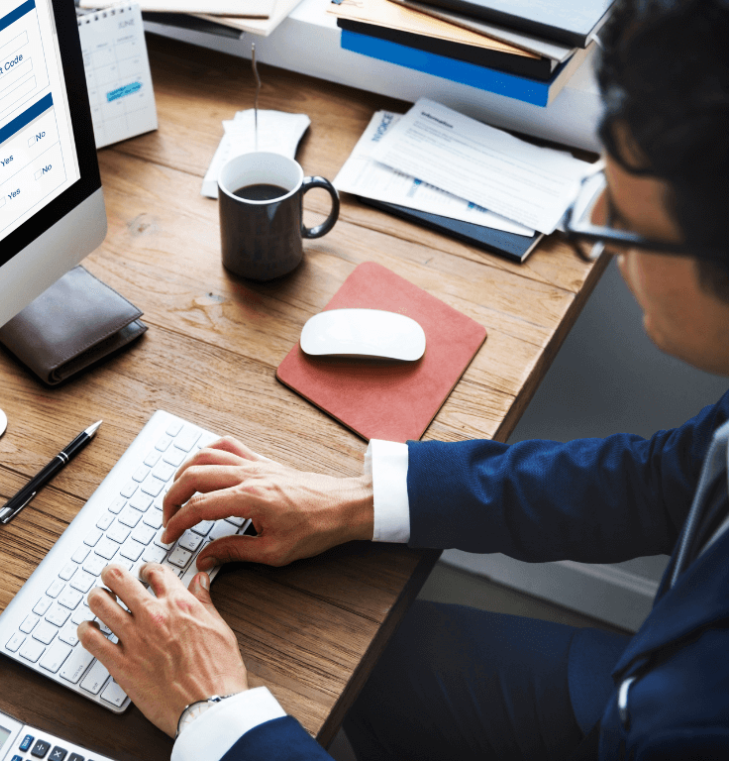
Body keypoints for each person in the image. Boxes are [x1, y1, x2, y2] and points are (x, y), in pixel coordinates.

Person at [76, 0, 729, 757]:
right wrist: (361, 499)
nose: (605, 249)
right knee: (368, 656)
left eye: (623, 223)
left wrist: (216, 711)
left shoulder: (696, 727)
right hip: (636, 682)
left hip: (644, 717)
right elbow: (661, 480)